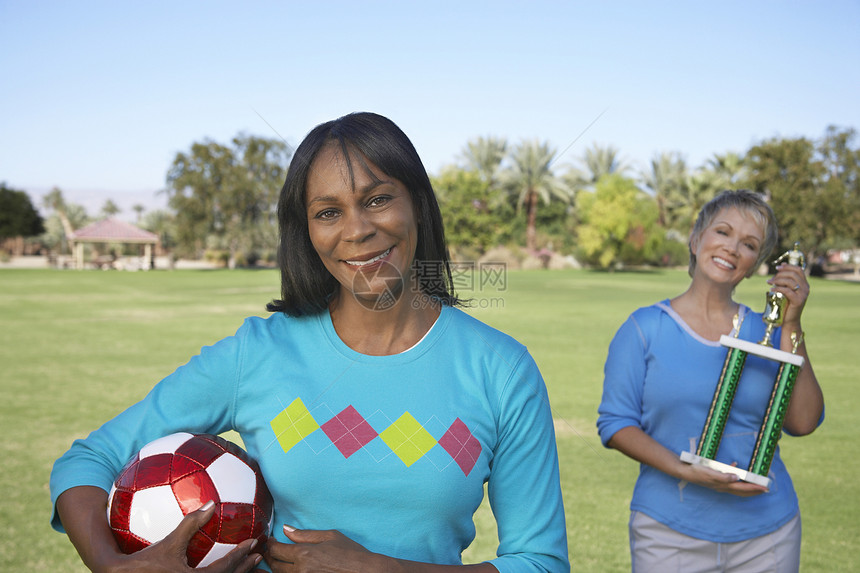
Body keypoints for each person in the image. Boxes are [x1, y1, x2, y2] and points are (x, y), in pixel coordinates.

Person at [50, 112, 569, 573]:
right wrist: (113, 564)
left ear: (417, 204)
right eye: (328, 212)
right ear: (307, 231)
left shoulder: (501, 370)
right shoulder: (258, 353)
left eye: (378, 199)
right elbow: (88, 460)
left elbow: (541, 561)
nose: (358, 229)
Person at [596, 190, 824, 572]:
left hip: (768, 536)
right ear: (696, 237)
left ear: (755, 265)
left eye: (749, 244)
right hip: (668, 533)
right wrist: (685, 470)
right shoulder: (644, 328)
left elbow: (803, 421)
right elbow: (615, 424)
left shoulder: (767, 332)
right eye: (722, 231)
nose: (732, 248)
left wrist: (792, 322)